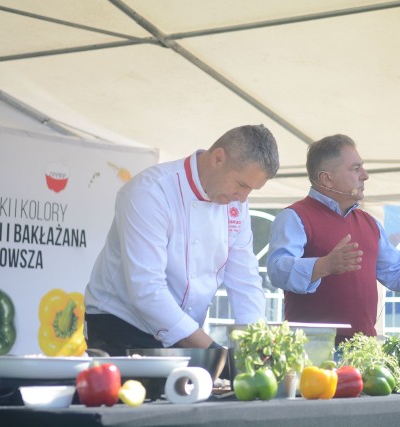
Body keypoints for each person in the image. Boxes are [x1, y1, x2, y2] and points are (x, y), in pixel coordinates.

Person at [84, 124, 279, 356]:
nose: (243, 197)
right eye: (242, 185)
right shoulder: (150, 192)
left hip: (187, 333)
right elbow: (147, 289)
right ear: (218, 158)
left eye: (251, 191)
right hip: (121, 327)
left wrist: (254, 343)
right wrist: (214, 352)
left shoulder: (236, 204)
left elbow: (245, 279)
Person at [266, 134, 400, 345]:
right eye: (355, 168)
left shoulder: (370, 223)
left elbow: (395, 272)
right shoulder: (294, 217)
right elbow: (277, 269)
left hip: (363, 349)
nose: (365, 175)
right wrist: (323, 265)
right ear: (326, 179)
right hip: (311, 351)